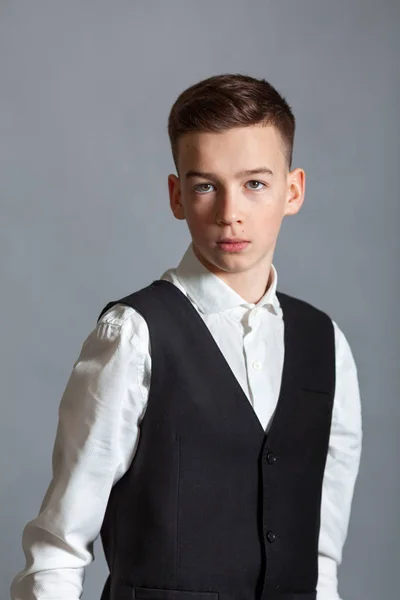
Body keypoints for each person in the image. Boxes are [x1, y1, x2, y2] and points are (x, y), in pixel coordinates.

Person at [10, 73, 362, 600]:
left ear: (293, 192)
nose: (230, 213)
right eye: (205, 186)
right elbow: (59, 547)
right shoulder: (133, 335)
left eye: (255, 184)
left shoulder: (325, 343)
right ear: (177, 196)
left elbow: (321, 557)